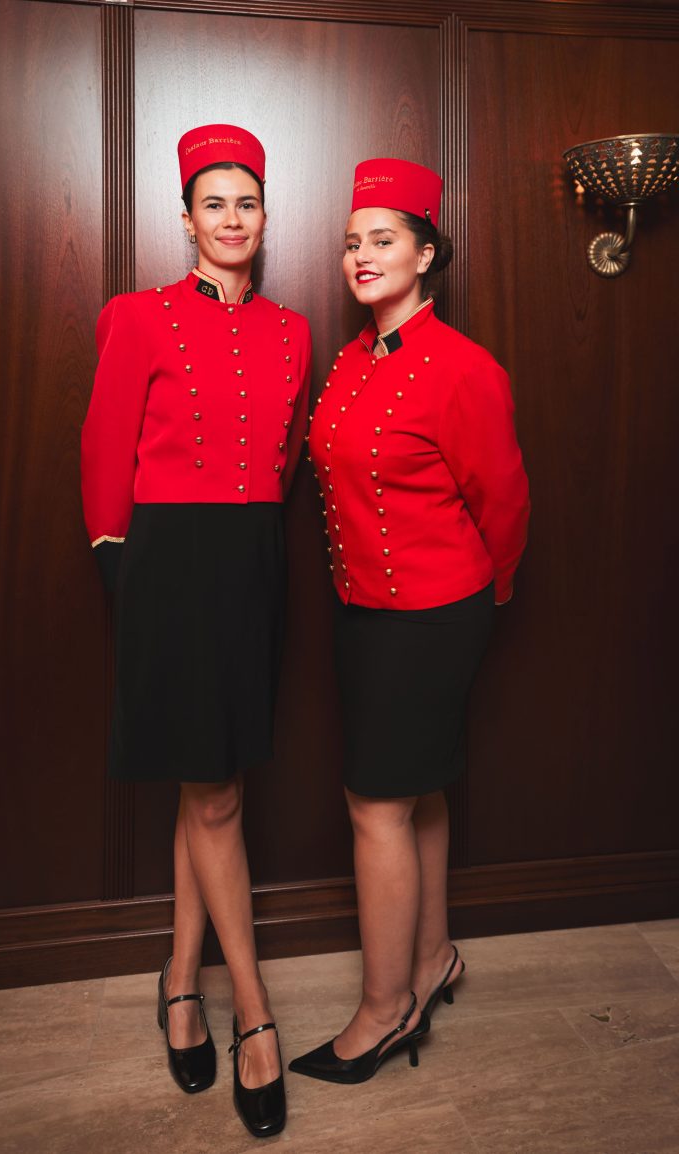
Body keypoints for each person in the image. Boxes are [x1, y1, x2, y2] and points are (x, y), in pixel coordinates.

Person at [81, 124, 311, 1137]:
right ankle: (252, 1008)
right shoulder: (134, 316)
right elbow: (103, 442)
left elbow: (287, 454)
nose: (231, 219)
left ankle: (179, 977)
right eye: (213, 203)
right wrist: (115, 562)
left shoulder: (296, 329)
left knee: (208, 778)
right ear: (185, 219)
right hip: (166, 564)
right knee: (212, 791)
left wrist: (255, 545)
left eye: (247, 203)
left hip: (252, 561)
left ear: (265, 222)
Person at [289, 157, 529, 1084]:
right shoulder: (351, 359)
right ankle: (432, 961)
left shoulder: (465, 369)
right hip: (362, 608)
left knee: (376, 803)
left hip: (434, 615)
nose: (361, 256)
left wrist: (485, 599)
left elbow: (505, 504)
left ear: (427, 254)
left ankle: (386, 1011)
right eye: (352, 243)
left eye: (382, 241)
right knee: (417, 792)